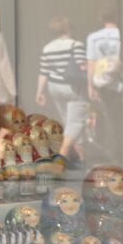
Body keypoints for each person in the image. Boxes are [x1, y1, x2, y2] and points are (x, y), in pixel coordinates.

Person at [35, 16, 89, 168]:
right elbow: (82, 66)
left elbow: (43, 72)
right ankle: (62, 156)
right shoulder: (75, 45)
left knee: (68, 122)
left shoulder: (47, 48)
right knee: (77, 122)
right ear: (68, 29)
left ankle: (81, 161)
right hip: (73, 87)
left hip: (54, 88)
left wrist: (40, 92)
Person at [86, 10, 123, 159]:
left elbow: (91, 62)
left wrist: (91, 86)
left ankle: (113, 153)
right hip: (121, 82)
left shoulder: (93, 38)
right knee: (122, 119)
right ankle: (121, 150)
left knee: (109, 118)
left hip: (103, 84)